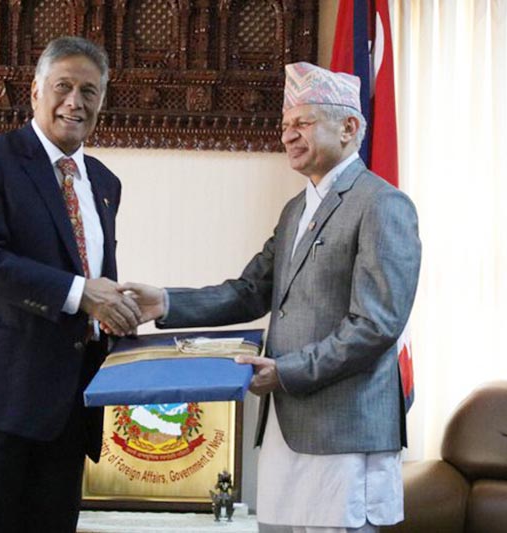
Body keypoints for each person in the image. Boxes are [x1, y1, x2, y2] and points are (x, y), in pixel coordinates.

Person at [125, 62, 421, 533]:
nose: (287, 136)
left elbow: (377, 325)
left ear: (349, 128)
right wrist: (164, 303)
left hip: (345, 435)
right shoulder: (296, 210)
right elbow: (250, 292)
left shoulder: (382, 204)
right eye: (284, 126)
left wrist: (287, 372)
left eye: (302, 123)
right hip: (287, 429)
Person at [0, 36, 141, 533]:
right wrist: (82, 293)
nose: (75, 102)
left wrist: (117, 309)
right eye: (63, 87)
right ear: (34, 92)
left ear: (102, 100)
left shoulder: (105, 183)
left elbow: (92, 276)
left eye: (89, 91)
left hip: (67, 407)